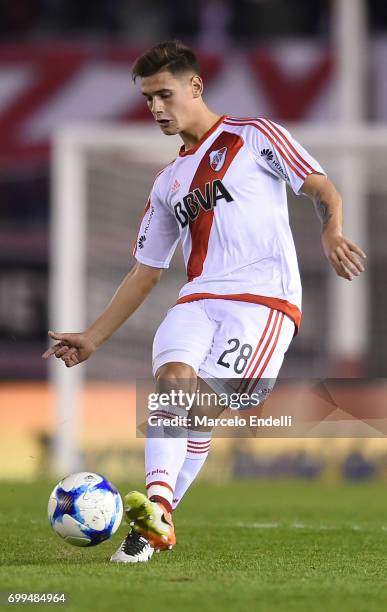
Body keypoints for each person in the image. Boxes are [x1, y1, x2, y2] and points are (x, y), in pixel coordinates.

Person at [42, 40, 366, 563]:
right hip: (196, 299)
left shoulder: (254, 135)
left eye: (164, 95)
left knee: (198, 412)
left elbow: (322, 187)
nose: (155, 109)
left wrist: (332, 232)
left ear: (195, 86)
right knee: (171, 384)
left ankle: (151, 522)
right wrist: (93, 336)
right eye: (148, 99)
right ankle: (156, 517)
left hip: (263, 304)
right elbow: (146, 271)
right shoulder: (168, 182)